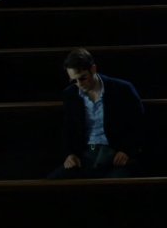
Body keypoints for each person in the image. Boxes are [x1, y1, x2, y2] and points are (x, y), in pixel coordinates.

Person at [48, 48, 145, 179]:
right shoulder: (70, 94)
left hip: (115, 152)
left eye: (83, 78)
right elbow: (68, 128)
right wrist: (70, 154)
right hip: (85, 153)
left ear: (93, 69)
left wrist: (127, 151)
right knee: (54, 181)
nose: (79, 84)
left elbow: (139, 124)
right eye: (74, 80)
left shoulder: (122, 89)